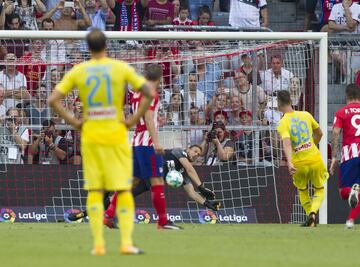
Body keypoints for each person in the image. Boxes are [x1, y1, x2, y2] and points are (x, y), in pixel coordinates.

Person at [48, 29, 156, 256]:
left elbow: (53, 99)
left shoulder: (80, 70)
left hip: (92, 135)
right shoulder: (120, 68)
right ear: (106, 45)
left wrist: (76, 123)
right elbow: (148, 92)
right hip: (116, 133)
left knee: (96, 189)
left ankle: (98, 244)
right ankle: (126, 243)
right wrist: (133, 120)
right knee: (123, 187)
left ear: (87, 48)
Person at [70, 145, 221, 227]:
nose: (195, 155)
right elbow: (190, 168)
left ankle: (84, 214)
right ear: (188, 149)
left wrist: (207, 203)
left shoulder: (183, 175)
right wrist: (202, 187)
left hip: (147, 181)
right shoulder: (178, 152)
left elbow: (191, 193)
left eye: (198, 155)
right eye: (194, 151)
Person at [130, 63, 181, 230]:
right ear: (160, 78)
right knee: (157, 180)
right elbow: (148, 118)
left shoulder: (136, 93)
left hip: (137, 141)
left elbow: (141, 117)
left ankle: (108, 214)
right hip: (147, 143)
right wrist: (157, 141)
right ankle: (163, 221)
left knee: (134, 181)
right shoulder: (151, 93)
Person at [276, 90, 328, 227]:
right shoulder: (306, 115)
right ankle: (313, 213)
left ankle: (310, 221)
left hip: (299, 163)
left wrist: (290, 162)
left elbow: (286, 142)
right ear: (290, 101)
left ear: (279, 104)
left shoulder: (282, 123)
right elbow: (320, 133)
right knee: (319, 188)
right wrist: (311, 144)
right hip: (314, 158)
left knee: (303, 190)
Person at [330, 84, 360, 229]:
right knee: (355, 191)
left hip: (350, 154)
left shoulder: (342, 112)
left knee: (343, 192)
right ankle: (350, 220)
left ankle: (350, 220)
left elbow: (335, 133)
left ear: (346, 96)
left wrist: (334, 156)